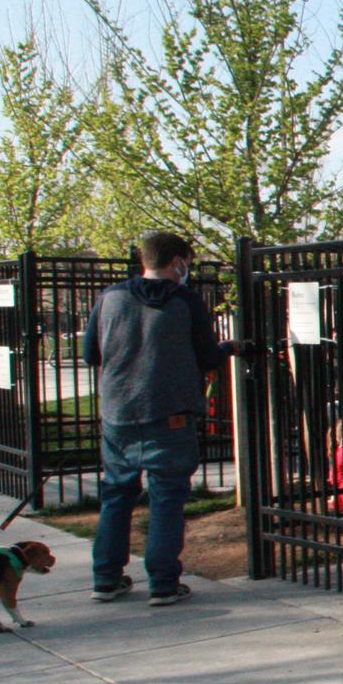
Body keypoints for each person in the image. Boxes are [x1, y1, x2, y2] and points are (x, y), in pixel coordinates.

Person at [84, 231, 242, 606]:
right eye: (188, 263)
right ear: (177, 262)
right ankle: (163, 582)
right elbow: (207, 356)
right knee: (167, 497)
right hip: (170, 412)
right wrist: (230, 348)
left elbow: (91, 353)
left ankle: (106, 578)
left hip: (119, 412)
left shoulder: (110, 297)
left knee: (116, 494)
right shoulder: (185, 301)